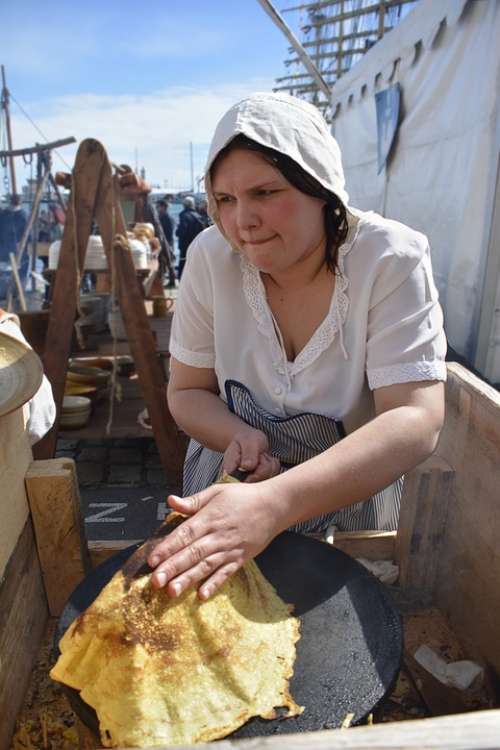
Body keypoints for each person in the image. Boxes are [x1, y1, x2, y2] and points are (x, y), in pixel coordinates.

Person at [148, 92, 447, 602]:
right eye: (224, 200)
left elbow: (415, 420)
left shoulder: (388, 259)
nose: (243, 221)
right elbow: (188, 392)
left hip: (345, 485)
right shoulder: (209, 257)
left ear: (321, 188)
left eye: (264, 192)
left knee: (330, 628)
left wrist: (274, 502)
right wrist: (239, 435)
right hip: (231, 473)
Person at [175, 196, 205, 278]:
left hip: (185, 245)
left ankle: (181, 280)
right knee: (195, 263)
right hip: (196, 244)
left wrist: (177, 232)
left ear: (184, 205)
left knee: (183, 263)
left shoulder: (183, 215)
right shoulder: (198, 216)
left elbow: (182, 231)